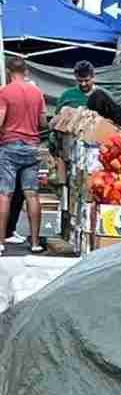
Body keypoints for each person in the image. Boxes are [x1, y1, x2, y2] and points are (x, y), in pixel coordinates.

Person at [0, 57, 46, 254]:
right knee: (32, 195)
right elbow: (43, 122)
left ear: (9, 71)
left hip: (10, 146)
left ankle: (1, 242)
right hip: (32, 147)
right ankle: (35, 242)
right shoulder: (37, 92)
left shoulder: (4, 92)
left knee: (5, 194)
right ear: (26, 71)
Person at [74, 60, 121, 131]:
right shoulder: (67, 95)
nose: (83, 84)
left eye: (86, 80)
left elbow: (116, 116)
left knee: (98, 95)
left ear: (93, 77)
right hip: (77, 133)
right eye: (80, 81)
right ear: (76, 78)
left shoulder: (104, 96)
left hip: (101, 130)